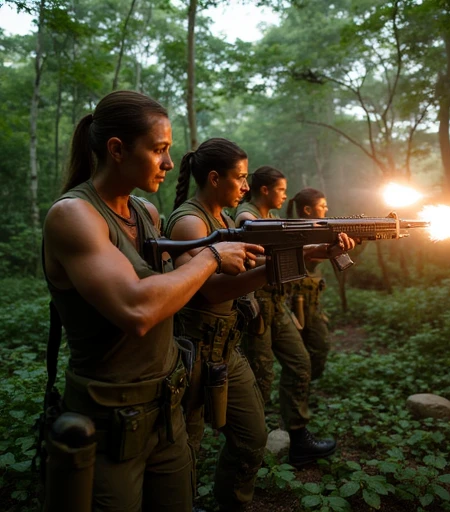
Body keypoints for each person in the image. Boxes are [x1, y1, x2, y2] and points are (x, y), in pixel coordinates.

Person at [42, 91, 263, 512]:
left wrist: (294, 258)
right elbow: (138, 310)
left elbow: (198, 288)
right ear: (117, 149)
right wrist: (215, 255)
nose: (167, 162)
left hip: (168, 412)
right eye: (159, 150)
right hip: (110, 427)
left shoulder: (147, 213)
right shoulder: (73, 215)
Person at [164, 138, 270, 512]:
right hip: (191, 354)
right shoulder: (190, 222)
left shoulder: (225, 219)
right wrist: (273, 270)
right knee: (186, 451)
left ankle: (232, 504)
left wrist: (309, 251)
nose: (246, 187)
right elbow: (209, 291)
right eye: (240, 178)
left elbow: (253, 263)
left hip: (226, 349)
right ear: (213, 178)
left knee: (253, 437)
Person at [235, 166, 356, 466]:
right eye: (280, 189)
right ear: (264, 190)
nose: (285, 195)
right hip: (257, 306)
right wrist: (311, 250)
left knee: (301, 363)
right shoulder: (246, 216)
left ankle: (298, 438)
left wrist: (328, 249)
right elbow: (254, 257)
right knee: (261, 379)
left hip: (277, 303)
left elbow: (299, 252)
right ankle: (249, 446)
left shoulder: (273, 219)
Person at [286, 187, 331, 380]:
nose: (326, 209)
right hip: (298, 302)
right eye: (322, 206)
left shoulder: (315, 230)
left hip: (311, 301)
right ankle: (303, 385)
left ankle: (306, 385)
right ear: (307, 210)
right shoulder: (300, 232)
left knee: (317, 347)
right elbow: (313, 257)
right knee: (309, 350)